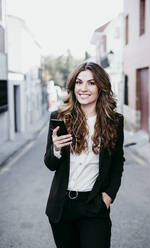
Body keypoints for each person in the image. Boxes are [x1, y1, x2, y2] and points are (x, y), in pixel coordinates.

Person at [44, 62, 125, 248]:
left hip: (94, 205)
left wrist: (108, 196)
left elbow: (117, 162)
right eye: (79, 82)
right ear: (73, 86)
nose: (83, 88)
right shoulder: (59, 117)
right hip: (62, 206)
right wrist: (55, 149)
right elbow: (50, 164)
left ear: (101, 87)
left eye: (91, 83)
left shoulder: (114, 121)